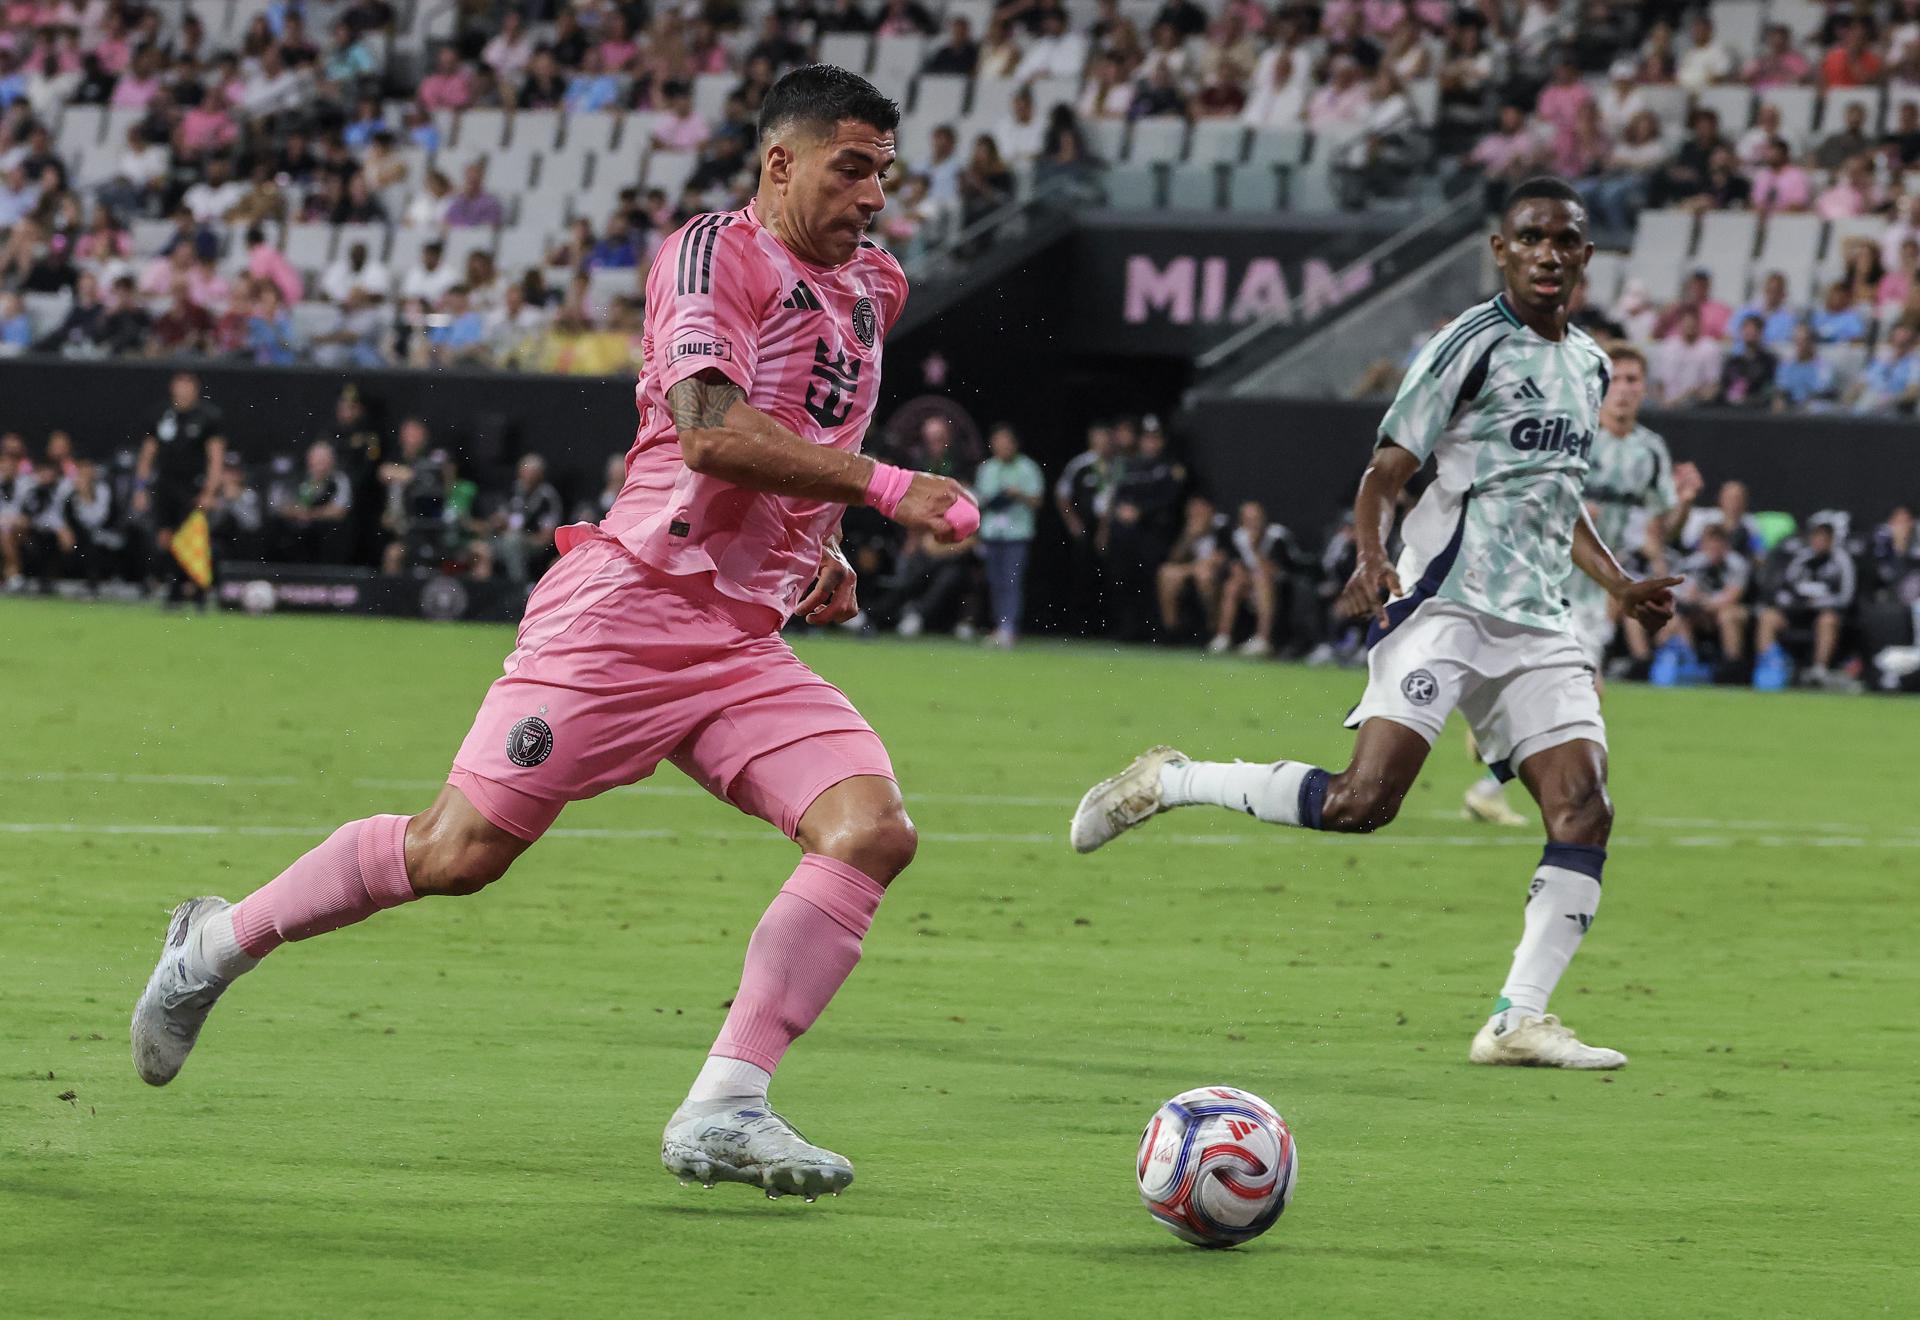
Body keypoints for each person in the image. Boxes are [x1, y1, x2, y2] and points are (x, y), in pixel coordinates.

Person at [131, 65, 980, 1203]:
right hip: (627, 611)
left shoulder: (875, 286)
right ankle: (214, 943)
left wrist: (814, 550)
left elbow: (796, 430)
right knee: (457, 855)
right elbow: (711, 432)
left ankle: (725, 1107)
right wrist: (884, 488)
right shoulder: (713, 254)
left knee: (870, 830)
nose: (875, 194)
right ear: (781, 162)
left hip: (739, 642)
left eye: (886, 171)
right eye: (853, 166)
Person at [1070, 178, 1680, 1071]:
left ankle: (1518, 1018)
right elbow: (1384, 472)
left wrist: (1619, 586)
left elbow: (1559, 495)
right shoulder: (1466, 347)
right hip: (1444, 605)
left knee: (1584, 809)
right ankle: (1173, 781)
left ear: (1587, 256)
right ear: (1501, 250)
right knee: (1364, 803)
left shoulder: (1587, 364)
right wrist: (1369, 555)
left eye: (1567, 241)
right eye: (1531, 239)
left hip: (1540, 622)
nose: (1550, 253)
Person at [134, 371, 226, 604]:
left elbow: (216, 458)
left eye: (189, 386)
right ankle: (173, 589)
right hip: (165, 484)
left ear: (196, 389)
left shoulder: (209, 417)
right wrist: (140, 488)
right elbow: (147, 455)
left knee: (193, 538)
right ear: (172, 388)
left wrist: (209, 491)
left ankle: (199, 590)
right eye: (180, 385)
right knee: (166, 537)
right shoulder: (160, 415)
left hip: (193, 485)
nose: (183, 391)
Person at [1754, 517, 1857, 690]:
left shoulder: (1841, 560)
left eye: (1824, 538)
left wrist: (1817, 602)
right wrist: (1795, 602)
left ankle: (1818, 671)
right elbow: (1784, 589)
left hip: (1822, 613)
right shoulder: (1801, 560)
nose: (1819, 542)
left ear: (1831, 540)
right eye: (1816, 537)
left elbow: (1845, 596)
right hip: (1796, 611)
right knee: (1768, 617)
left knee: (1828, 620)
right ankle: (1769, 666)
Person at [1651, 523, 1750, 684]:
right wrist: (1694, 602)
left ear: (1726, 544)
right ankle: (1686, 663)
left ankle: (1732, 669)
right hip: (1697, 612)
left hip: (1729, 610)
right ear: (1703, 544)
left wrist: (1703, 603)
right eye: (1711, 542)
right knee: (1675, 619)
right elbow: (1683, 594)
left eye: (1719, 542)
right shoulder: (1693, 563)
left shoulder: (1737, 563)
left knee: (1728, 616)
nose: (1715, 546)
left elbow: (1732, 596)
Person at [973, 423, 1044, 647]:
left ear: (1014, 444)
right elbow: (979, 501)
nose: (1002, 447)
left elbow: (1037, 502)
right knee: (995, 582)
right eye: (998, 443)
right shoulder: (987, 469)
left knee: (1012, 581)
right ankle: (999, 626)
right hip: (992, 533)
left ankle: (1009, 627)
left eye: (1006, 442)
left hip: (1017, 535)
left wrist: (1019, 494)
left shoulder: (1027, 468)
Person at [1207, 500, 1284, 657]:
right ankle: (1223, 636)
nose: (1253, 524)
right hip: (1248, 586)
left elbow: (1273, 570)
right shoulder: (1236, 538)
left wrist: (1254, 547)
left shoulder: (1276, 536)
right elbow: (1237, 568)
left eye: (1256, 519)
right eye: (1248, 520)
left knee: (1261, 579)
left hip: (1274, 587)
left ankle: (1263, 639)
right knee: (1232, 585)